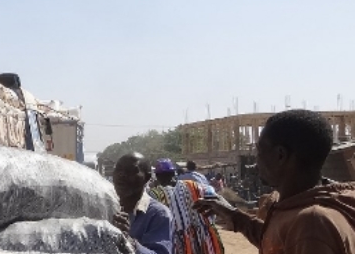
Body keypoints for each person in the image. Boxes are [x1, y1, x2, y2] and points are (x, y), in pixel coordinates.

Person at [194, 109, 355, 254]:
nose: (256, 162)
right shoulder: (299, 209)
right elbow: (277, 245)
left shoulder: (311, 224)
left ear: (280, 155)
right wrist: (233, 215)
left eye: (260, 151)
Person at [148, 158, 224, 254]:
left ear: (157, 176)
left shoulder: (155, 194)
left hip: (179, 245)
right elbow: (213, 197)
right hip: (206, 239)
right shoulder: (195, 185)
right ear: (173, 173)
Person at [112, 153, 174, 254]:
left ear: (147, 177)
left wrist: (127, 241)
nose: (121, 174)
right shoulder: (104, 208)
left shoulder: (158, 215)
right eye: (118, 169)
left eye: (131, 170)